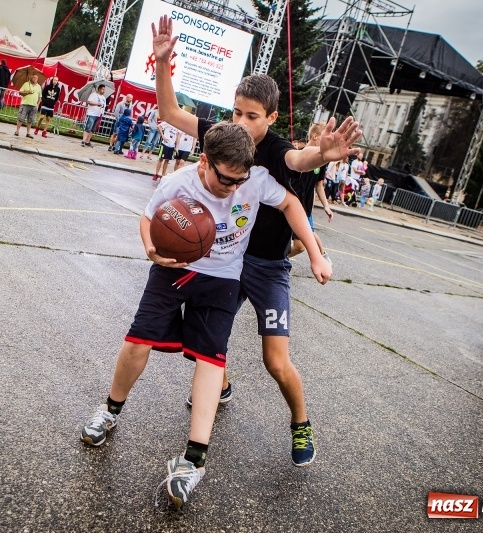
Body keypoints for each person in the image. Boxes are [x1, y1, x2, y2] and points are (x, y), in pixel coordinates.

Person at [79, 122, 331, 509]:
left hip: (223, 277)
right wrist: (151, 249)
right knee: (138, 339)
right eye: (225, 179)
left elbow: (291, 203)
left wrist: (314, 252)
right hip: (175, 268)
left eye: (239, 181)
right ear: (205, 162)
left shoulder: (255, 179)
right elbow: (148, 218)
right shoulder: (179, 183)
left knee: (213, 358)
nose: (232, 188)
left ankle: (193, 459)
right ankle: (109, 412)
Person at [152, 15, 361, 466]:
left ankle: (301, 423)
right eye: (236, 112)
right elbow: (169, 113)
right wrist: (163, 64)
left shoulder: (277, 149)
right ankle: (219, 385)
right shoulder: (225, 138)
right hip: (228, 259)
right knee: (206, 340)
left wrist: (321, 155)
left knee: (275, 361)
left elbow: (299, 160)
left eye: (252, 116)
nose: (241, 123)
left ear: (271, 117)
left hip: (268, 266)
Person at [289, 123, 334, 259]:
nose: (327, 141)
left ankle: (276, 260)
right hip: (291, 203)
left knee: (300, 246)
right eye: (324, 137)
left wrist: (326, 206)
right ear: (315, 136)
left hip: (305, 207)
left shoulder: (322, 161)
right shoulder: (296, 154)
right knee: (303, 241)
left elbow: (319, 185)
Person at [14, 73, 42, 138]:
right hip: (25, 104)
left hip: (33, 105)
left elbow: (40, 97)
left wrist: (37, 105)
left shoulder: (39, 86)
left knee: (30, 120)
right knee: (21, 118)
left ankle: (28, 133)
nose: (35, 79)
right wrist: (27, 92)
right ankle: (17, 131)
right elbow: (20, 92)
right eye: (34, 77)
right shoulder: (26, 84)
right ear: (31, 78)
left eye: (36, 78)